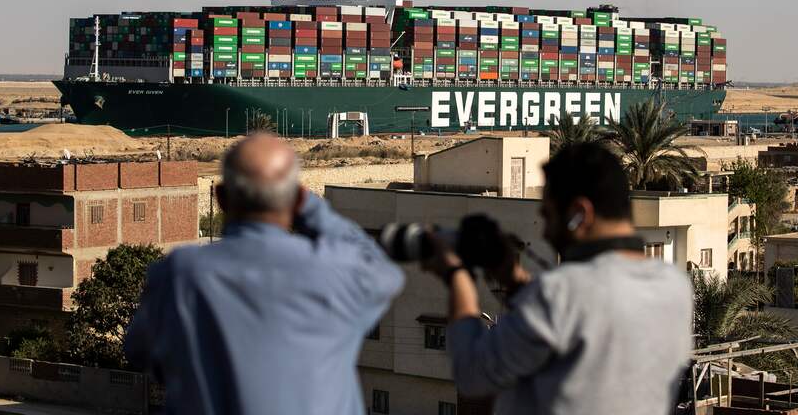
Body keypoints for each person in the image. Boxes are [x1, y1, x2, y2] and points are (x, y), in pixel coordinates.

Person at [125, 134, 404, 415]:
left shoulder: (179, 274)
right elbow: (382, 269)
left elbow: (139, 352)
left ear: (221, 198)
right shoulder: (336, 272)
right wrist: (312, 209)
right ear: (296, 201)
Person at [425, 142, 693, 415]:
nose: (545, 234)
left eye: (549, 217)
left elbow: (471, 374)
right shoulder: (674, 286)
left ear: (579, 214)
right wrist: (512, 278)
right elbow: (579, 319)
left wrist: (456, 274)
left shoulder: (560, 294)